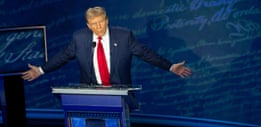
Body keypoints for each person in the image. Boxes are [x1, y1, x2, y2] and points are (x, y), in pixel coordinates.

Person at [22, 6, 192, 85]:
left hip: (119, 93)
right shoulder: (79, 38)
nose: (98, 27)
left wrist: (170, 67)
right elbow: (63, 56)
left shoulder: (124, 36)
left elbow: (146, 53)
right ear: (88, 25)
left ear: (107, 20)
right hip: (90, 94)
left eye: (101, 22)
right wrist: (41, 70)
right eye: (94, 24)